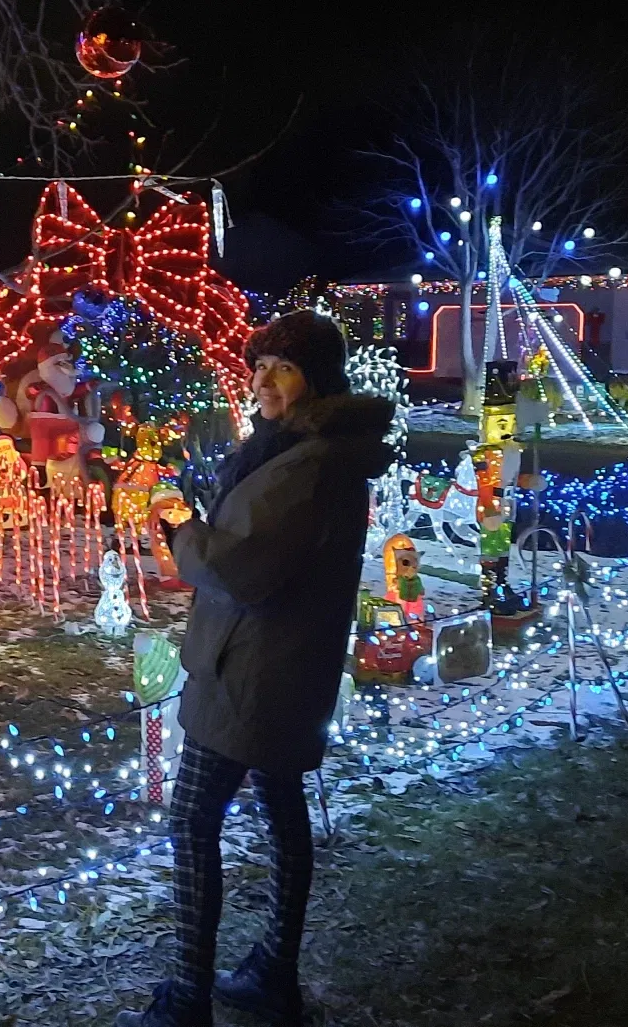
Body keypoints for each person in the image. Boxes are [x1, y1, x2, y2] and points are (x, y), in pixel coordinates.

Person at [121, 311, 395, 1027]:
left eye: (284, 366)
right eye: (258, 364)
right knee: (279, 809)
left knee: (189, 821)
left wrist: (184, 535)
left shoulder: (308, 464)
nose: (263, 379)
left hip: (253, 671)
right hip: (285, 666)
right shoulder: (306, 449)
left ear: (318, 380)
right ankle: (274, 970)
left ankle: (188, 999)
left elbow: (238, 566)